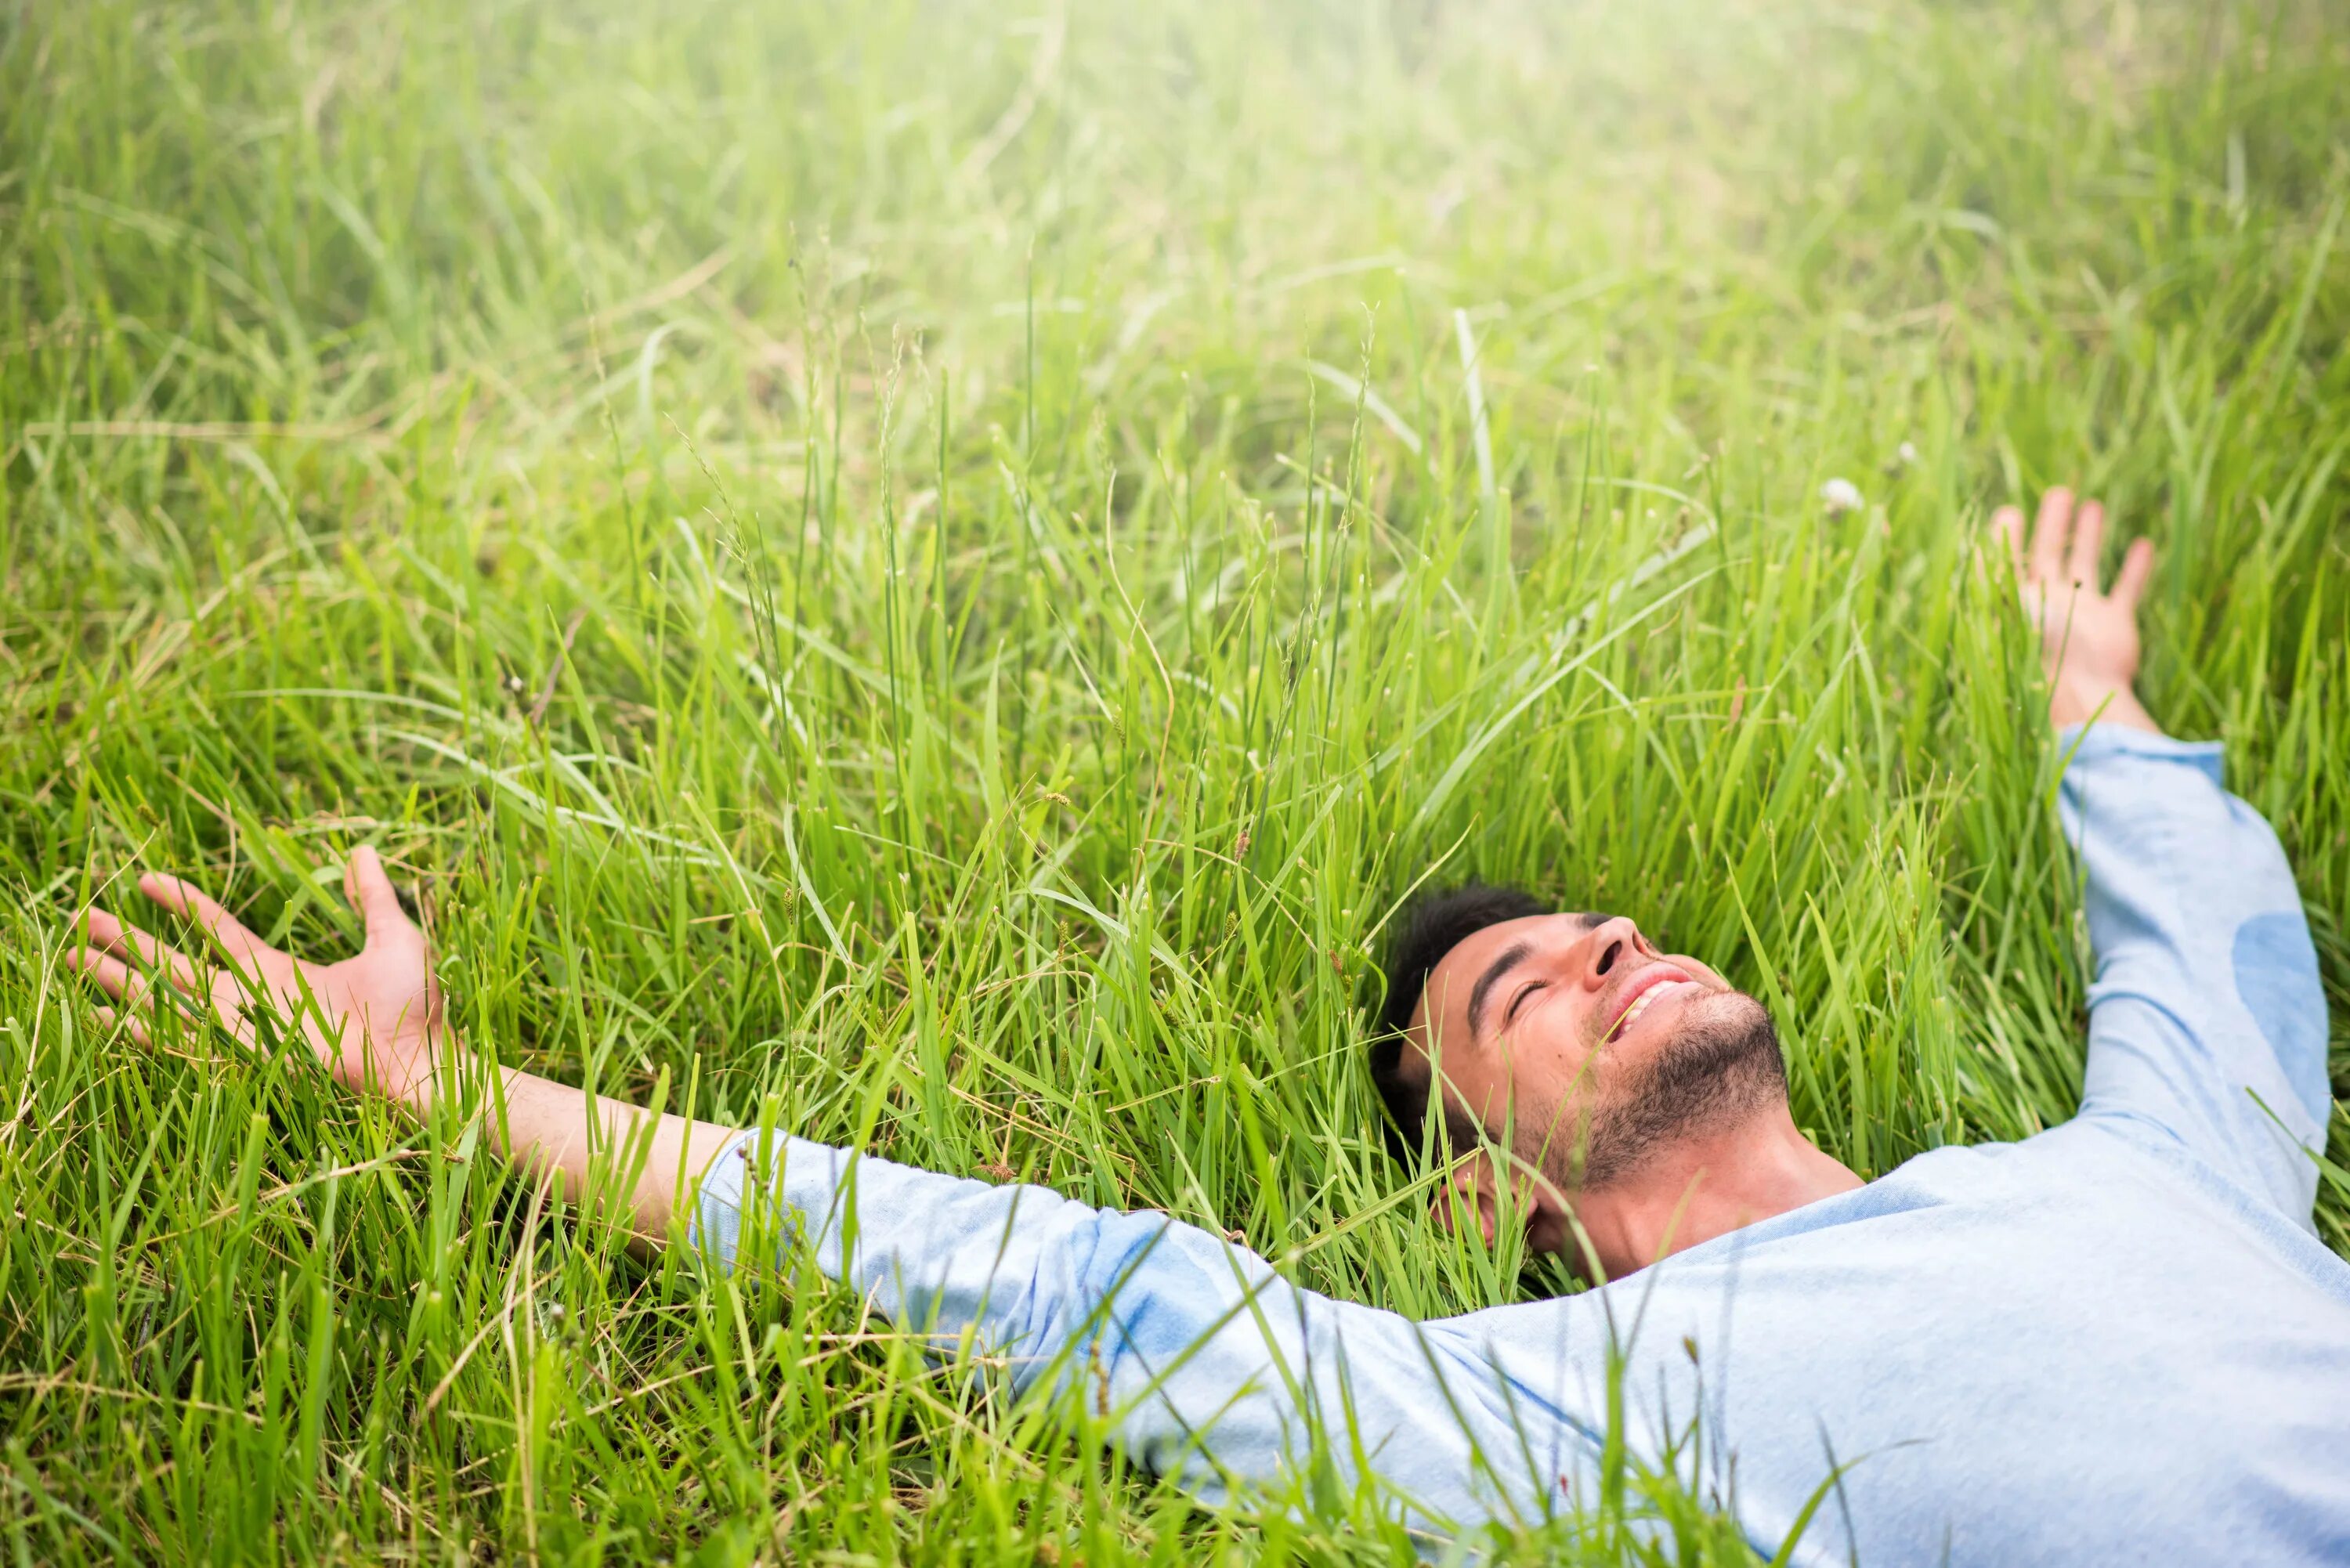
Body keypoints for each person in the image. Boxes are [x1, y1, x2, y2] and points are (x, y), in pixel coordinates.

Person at [68, 490, 2346, 1564]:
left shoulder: (2145, 1164)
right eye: (1518, 988)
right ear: (1493, 1196)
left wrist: (2092, 701)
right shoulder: (1590, 1410)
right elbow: (1061, 1282)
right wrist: (438, 1087)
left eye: (1592, 924)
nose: (1606, 938)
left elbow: (2210, 963)